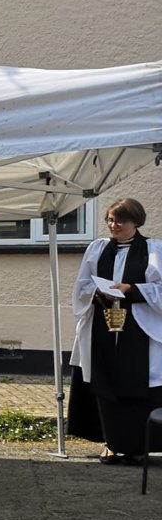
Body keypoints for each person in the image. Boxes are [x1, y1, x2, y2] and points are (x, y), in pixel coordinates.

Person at [68, 198, 162, 464]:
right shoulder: (97, 249)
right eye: (110, 220)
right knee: (105, 380)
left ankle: (136, 446)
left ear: (136, 222)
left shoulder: (154, 250)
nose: (113, 225)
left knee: (136, 383)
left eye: (120, 220)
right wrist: (98, 291)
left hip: (140, 329)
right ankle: (111, 443)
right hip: (103, 323)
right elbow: (82, 285)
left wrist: (131, 290)